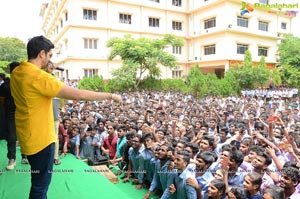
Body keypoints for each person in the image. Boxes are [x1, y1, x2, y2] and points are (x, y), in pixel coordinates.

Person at [10, 35, 122, 199]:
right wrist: (110, 95)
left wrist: (47, 72)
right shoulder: (40, 78)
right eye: (49, 55)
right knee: (40, 187)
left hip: (27, 137)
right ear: (42, 54)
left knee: (37, 181)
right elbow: (78, 94)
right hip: (41, 140)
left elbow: (34, 88)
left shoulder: (18, 71)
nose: (50, 59)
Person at [0, 62, 19, 170]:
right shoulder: (5, 85)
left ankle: (25, 156)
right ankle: (12, 158)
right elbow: (1, 101)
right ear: (12, 71)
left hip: (25, 112)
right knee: (12, 136)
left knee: (25, 135)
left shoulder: (25, 83)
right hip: (11, 113)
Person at [45, 61, 61, 165]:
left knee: (55, 137)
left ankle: (55, 157)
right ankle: (46, 158)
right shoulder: (43, 78)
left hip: (54, 116)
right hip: (43, 117)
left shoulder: (56, 84)